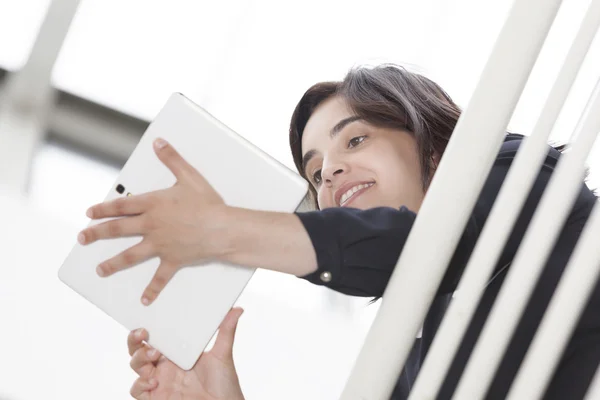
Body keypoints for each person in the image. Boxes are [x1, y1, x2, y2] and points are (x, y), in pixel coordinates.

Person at [79, 65, 599, 399]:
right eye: (314, 171)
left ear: (432, 146)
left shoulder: (523, 173)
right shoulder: (406, 359)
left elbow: (411, 246)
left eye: (354, 140)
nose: (327, 173)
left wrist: (218, 229)